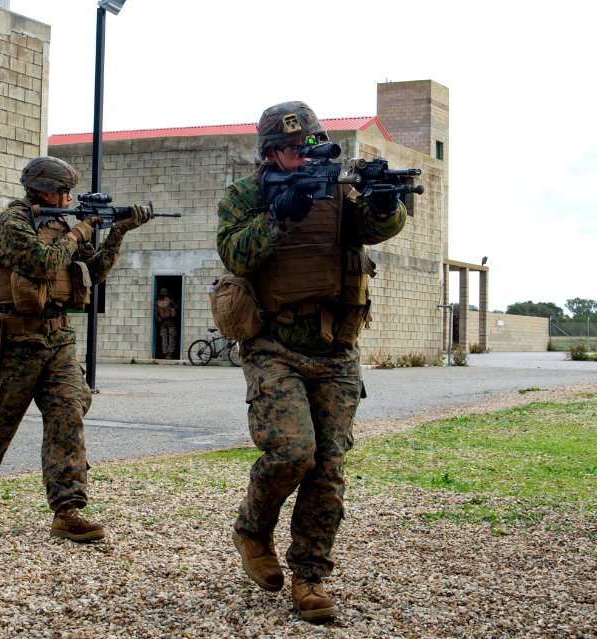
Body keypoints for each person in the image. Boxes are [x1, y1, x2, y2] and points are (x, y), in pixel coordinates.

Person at [216, 102, 407, 622]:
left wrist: (387, 202)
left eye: (312, 144)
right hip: (274, 345)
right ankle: (253, 529)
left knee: (328, 465)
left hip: (336, 348)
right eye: (293, 148)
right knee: (292, 451)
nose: (305, 154)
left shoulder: (341, 191)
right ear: (270, 152)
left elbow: (376, 226)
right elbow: (234, 254)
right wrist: (280, 216)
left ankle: (310, 577)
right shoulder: (247, 195)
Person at [0, 156, 151, 542]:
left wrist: (118, 232)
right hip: (15, 341)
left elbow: (92, 272)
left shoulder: (58, 225)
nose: (69, 198)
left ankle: (67, 510)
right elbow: (41, 263)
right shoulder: (12, 223)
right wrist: (80, 232)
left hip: (58, 340)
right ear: (44, 189)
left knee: (67, 417)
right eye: (64, 191)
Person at [154, 288, 178, 359]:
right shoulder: (170, 301)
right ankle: (170, 354)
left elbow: (156, 314)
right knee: (172, 338)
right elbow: (176, 308)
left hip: (163, 323)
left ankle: (165, 354)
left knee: (164, 339)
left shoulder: (157, 302)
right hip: (171, 322)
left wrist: (158, 321)